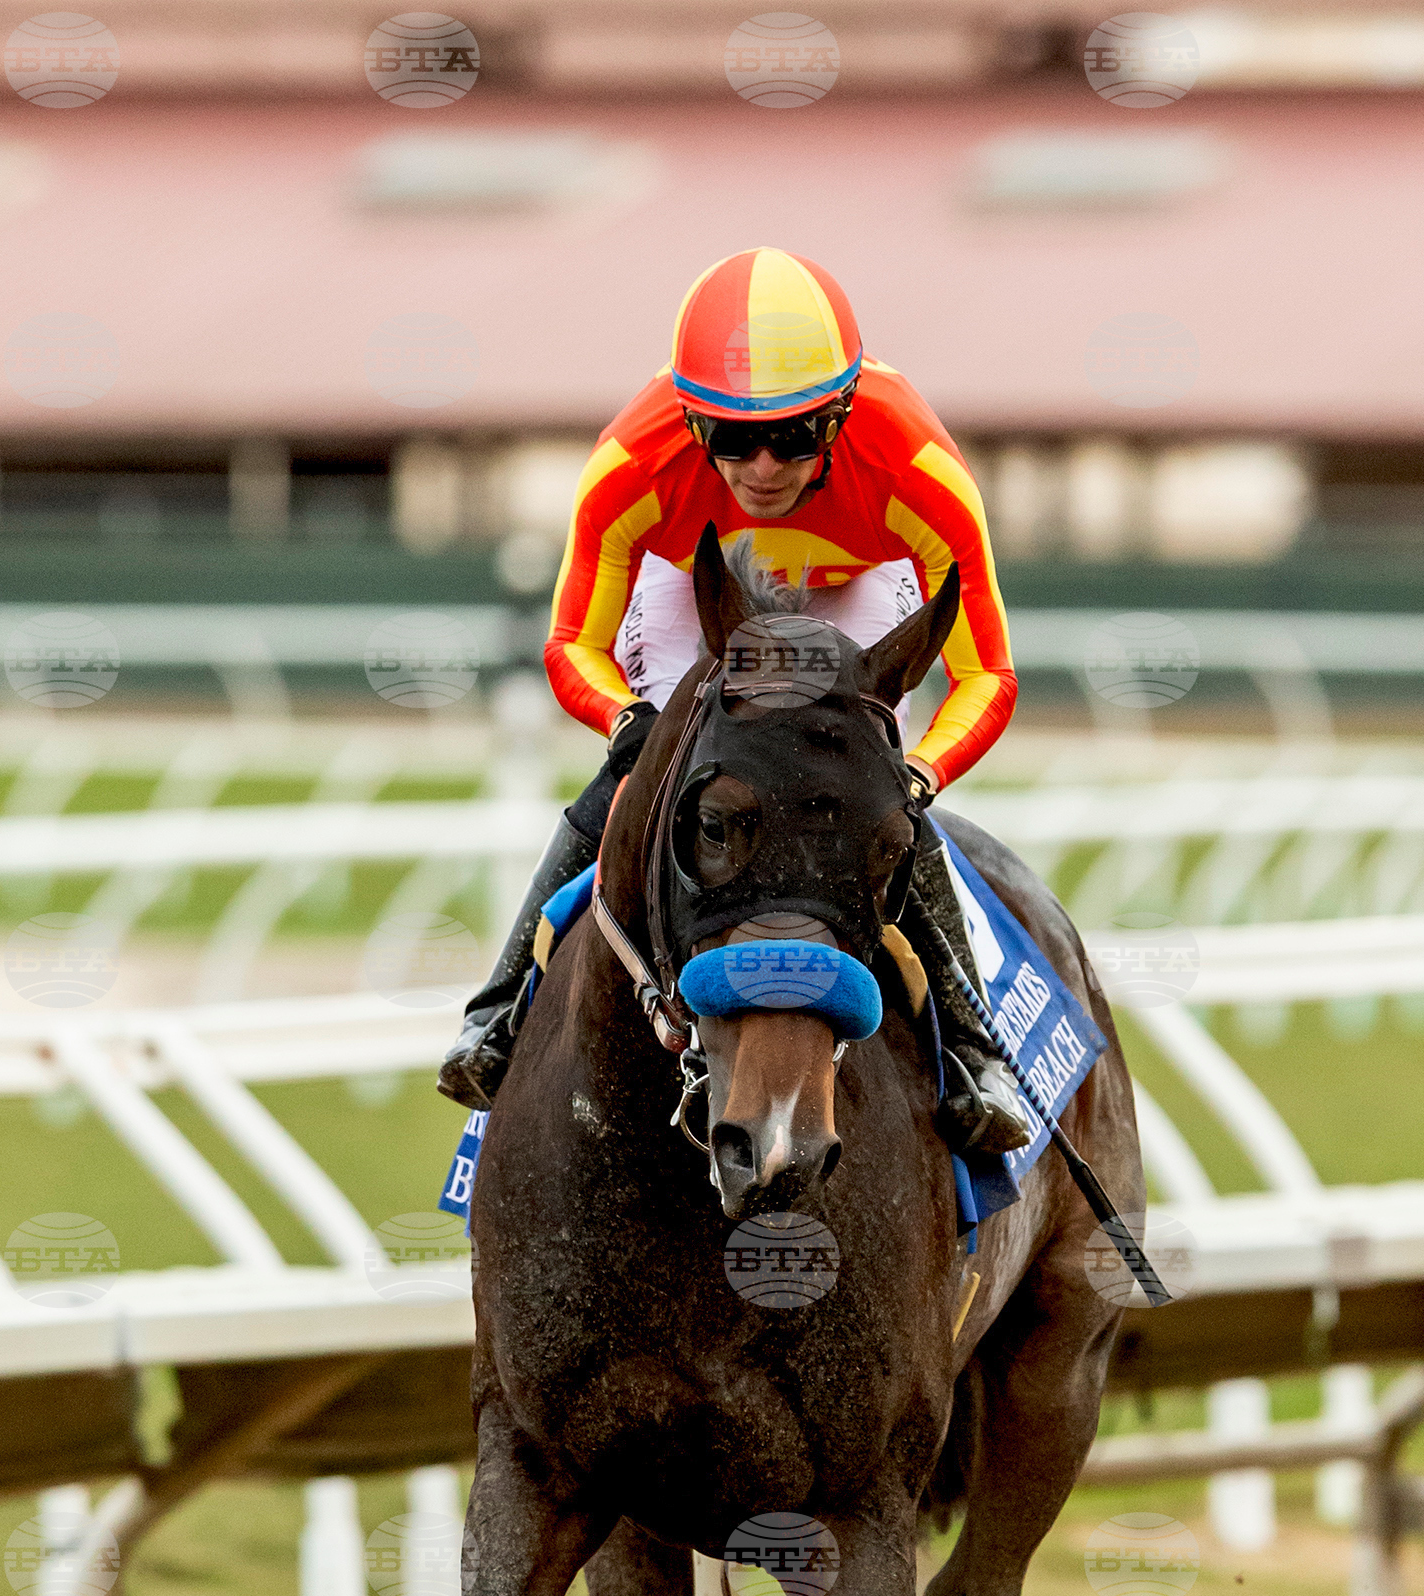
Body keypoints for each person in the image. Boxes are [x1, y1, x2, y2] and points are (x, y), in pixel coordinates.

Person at [439, 246, 1028, 1153]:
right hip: (696, 583)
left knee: (865, 802)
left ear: (840, 414)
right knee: (646, 777)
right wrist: (627, 725)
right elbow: (572, 647)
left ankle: (976, 1050)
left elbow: (987, 674)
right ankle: (497, 1010)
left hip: (856, 587)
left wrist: (915, 775)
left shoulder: (916, 468)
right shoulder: (632, 466)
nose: (760, 467)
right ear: (688, 421)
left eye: (793, 438)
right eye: (729, 437)